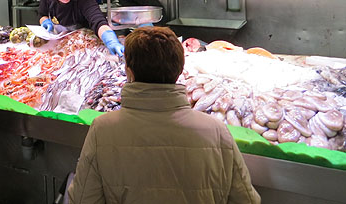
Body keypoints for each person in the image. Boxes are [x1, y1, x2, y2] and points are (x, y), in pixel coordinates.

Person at [68, 26, 260, 204]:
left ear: (129, 72)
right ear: (180, 70)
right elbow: (246, 200)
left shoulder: (102, 129)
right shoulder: (217, 131)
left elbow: (83, 199)